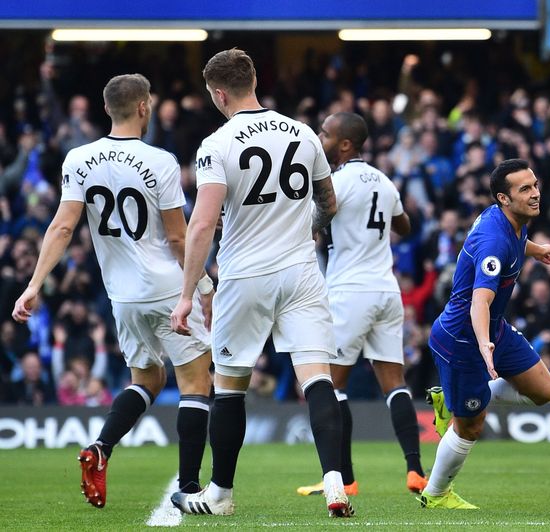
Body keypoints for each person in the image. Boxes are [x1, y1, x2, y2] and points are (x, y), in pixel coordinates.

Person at [12, 73, 213, 508]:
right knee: (196, 383)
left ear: (106, 109)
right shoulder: (160, 160)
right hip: (165, 287)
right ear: (144, 107)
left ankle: (101, 447)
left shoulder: (77, 159)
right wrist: (204, 286)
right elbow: (179, 239)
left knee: (148, 378)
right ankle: (191, 487)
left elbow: (63, 226)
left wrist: (33, 285)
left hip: (122, 297)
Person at [168, 49, 351, 518]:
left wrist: (188, 294)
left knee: (229, 387)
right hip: (302, 273)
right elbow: (328, 201)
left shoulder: (217, 144)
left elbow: (203, 224)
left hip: (245, 276)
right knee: (317, 380)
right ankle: (335, 482)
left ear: (219, 93)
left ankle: (221, 495)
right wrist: (311, 225)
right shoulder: (305, 133)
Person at [295, 112, 428, 498]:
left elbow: (318, 219)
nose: (320, 138)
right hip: (386, 291)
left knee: (332, 385)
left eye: (325, 133)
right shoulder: (384, 182)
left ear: (346, 144)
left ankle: (343, 478)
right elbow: (404, 226)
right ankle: (415, 471)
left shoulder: (336, 182)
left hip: (348, 292)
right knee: (394, 384)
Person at [420, 158, 550, 509]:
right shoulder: (494, 243)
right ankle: (436, 494)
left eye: (535, 185)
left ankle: (451, 398)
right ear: (504, 198)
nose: (534, 194)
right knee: (470, 426)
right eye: (524, 189)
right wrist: (485, 344)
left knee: (544, 391)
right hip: (462, 340)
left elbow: (517, 240)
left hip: (494, 330)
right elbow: (479, 302)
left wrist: (536, 249)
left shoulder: (509, 219)